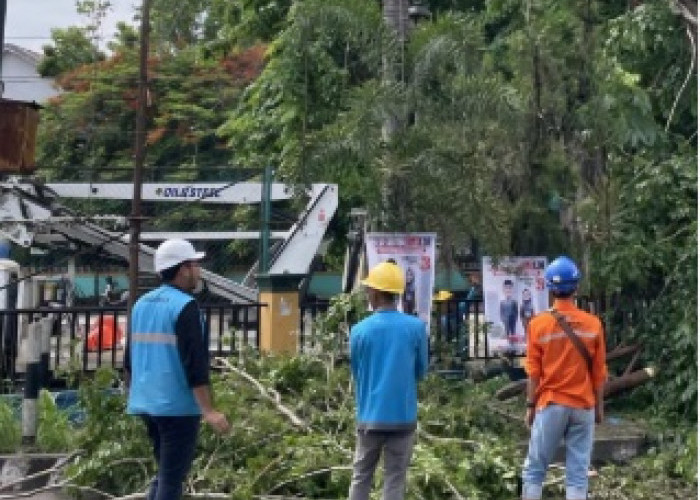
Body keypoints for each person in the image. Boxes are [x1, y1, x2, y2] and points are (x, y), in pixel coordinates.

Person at [125, 239, 230, 500]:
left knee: (165, 473)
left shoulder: (141, 304)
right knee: (171, 481)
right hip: (177, 406)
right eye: (195, 264)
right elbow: (195, 364)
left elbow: (129, 359)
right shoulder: (185, 307)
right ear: (183, 268)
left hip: (146, 402)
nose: (199, 271)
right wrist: (209, 411)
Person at [521, 256, 607, 500]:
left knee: (535, 469)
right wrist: (599, 408)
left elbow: (534, 373)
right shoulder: (593, 325)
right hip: (584, 406)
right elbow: (599, 374)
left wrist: (530, 407)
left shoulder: (538, 325)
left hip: (551, 405)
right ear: (576, 287)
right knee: (578, 473)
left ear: (550, 289)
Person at [349, 261, 429, 500]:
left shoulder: (359, 331)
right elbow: (421, 371)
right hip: (402, 417)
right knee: (395, 479)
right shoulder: (416, 328)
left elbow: (357, 371)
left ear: (375, 291)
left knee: (361, 475)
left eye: (369, 289)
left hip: (369, 416)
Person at [499, 279, 519, 345]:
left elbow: (516, 311)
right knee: (507, 330)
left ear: (512, 289)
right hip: (505, 319)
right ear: (503, 289)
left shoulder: (514, 302)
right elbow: (501, 312)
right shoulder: (502, 302)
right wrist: (502, 318)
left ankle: (512, 342)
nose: (508, 290)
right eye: (506, 288)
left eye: (510, 288)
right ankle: (508, 342)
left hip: (512, 319)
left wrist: (515, 318)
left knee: (513, 330)